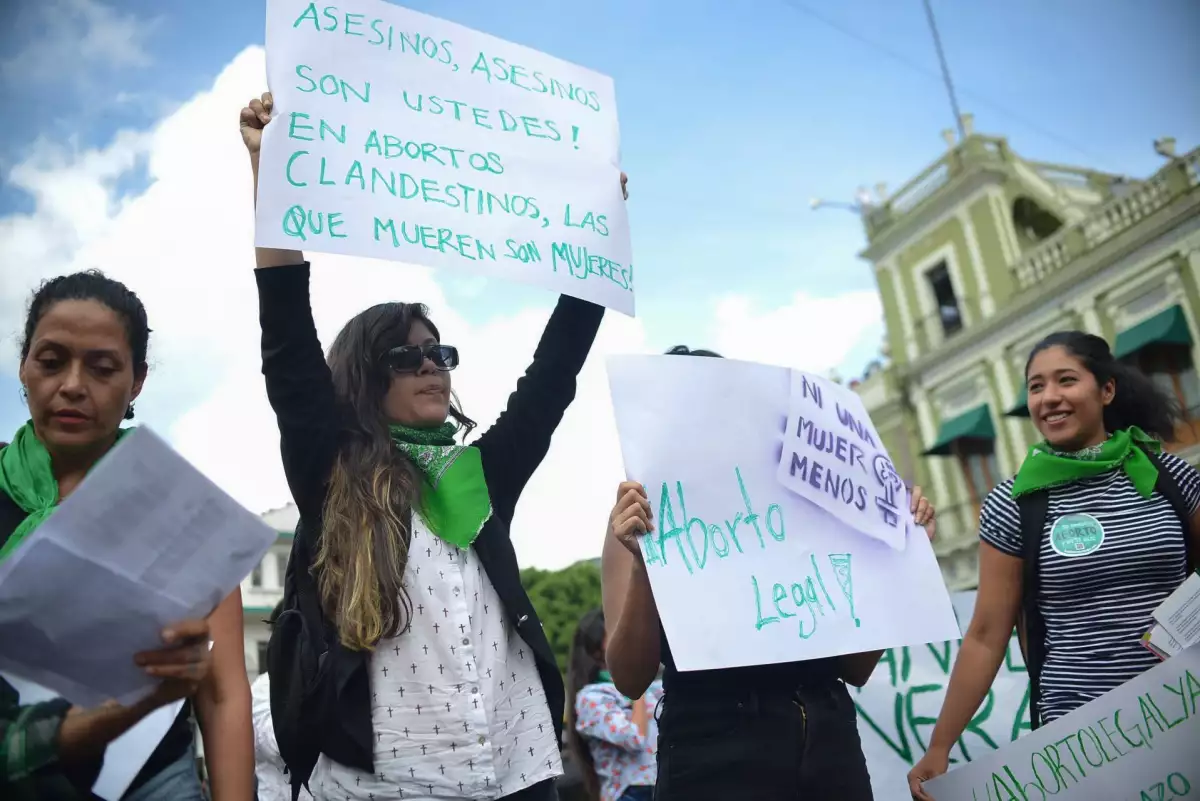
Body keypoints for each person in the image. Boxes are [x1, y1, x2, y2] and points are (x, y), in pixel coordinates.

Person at [239, 91, 625, 801]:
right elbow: (288, 340)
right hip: (387, 785)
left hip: (520, 771)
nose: (432, 366)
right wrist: (270, 179)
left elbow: (551, 377)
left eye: (441, 352)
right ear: (364, 374)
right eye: (408, 355)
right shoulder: (332, 469)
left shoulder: (480, 473)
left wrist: (597, 244)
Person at [602, 345, 938, 801]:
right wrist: (646, 564)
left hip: (829, 744)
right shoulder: (637, 515)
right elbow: (628, 676)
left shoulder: (809, 499)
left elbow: (857, 668)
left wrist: (901, 554)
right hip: (711, 758)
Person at [907, 331, 1200, 799]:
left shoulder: (1171, 477)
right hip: (1081, 739)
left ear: (1106, 390)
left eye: (1066, 380)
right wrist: (940, 744)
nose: (1049, 398)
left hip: (1185, 712)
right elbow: (985, 635)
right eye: (1036, 386)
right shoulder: (1012, 503)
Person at [1, 271, 254, 800]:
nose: (72, 385)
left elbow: (224, 694)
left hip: (152, 780)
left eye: (102, 367)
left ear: (136, 381)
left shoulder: (184, 509)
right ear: (23, 365)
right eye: (51, 361)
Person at [566, 609, 661, 801]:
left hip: (661, 787)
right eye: (618, 634)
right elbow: (634, 737)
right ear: (596, 649)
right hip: (629, 793)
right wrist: (636, 684)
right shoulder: (591, 698)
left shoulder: (654, 689)